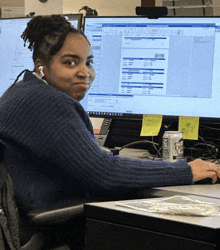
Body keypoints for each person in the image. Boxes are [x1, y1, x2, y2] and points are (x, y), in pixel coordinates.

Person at [0, 14, 219, 214]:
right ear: (41, 67)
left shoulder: (22, 90)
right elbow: (104, 174)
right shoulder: (49, 102)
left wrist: (95, 155)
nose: (84, 72)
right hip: (41, 224)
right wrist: (186, 171)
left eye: (89, 62)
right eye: (69, 62)